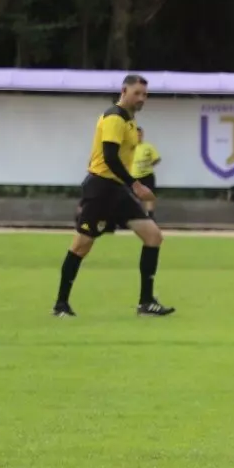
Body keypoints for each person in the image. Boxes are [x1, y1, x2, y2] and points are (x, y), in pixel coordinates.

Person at [53, 74, 174, 317]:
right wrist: (135, 185)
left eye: (145, 94)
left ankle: (146, 302)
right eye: (137, 93)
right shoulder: (114, 117)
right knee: (81, 246)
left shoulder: (129, 121)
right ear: (124, 91)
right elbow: (109, 157)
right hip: (102, 189)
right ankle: (61, 304)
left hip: (117, 189)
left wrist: (127, 185)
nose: (141, 99)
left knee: (153, 236)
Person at [130, 125, 161, 216]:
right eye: (136, 135)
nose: (138, 137)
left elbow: (157, 158)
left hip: (147, 175)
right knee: (132, 197)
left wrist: (150, 165)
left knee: (149, 196)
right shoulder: (128, 147)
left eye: (140, 135)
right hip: (133, 176)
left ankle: (150, 215)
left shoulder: (148, 146)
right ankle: (134, 216)